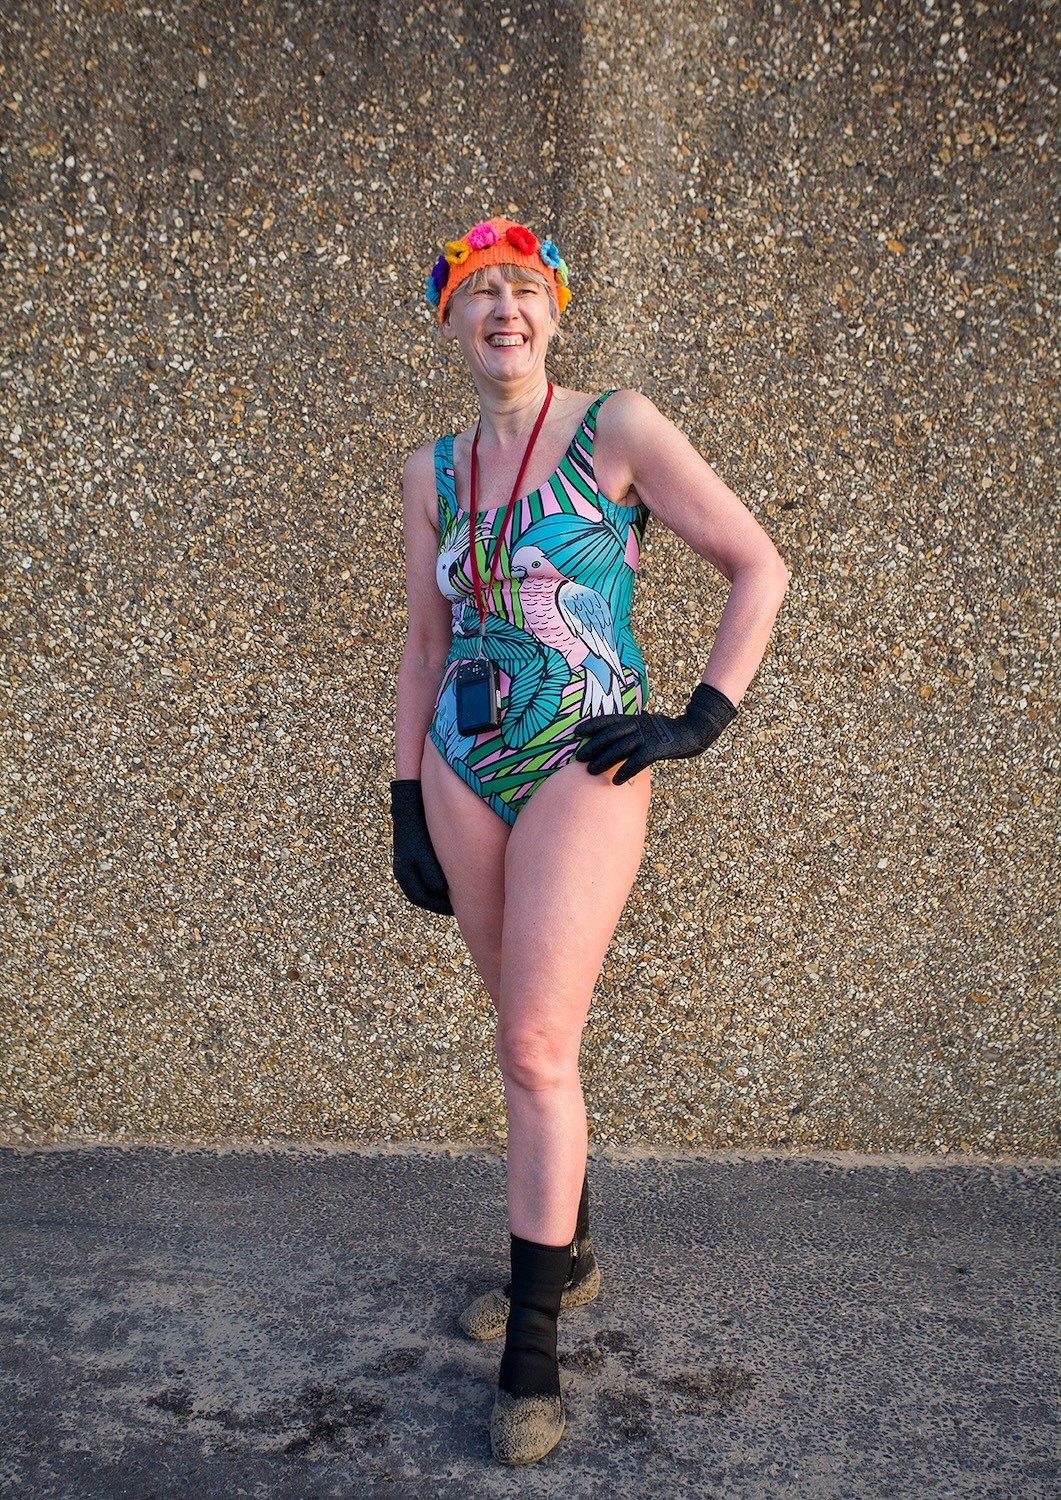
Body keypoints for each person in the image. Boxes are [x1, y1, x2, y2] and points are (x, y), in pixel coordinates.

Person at [391, 216, 789, 1465]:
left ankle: (530, 1352)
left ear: (552, 312)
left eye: (523, 289)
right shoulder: (429, 472)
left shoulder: (614, 428)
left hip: (583, 756)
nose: (502, 309)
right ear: (450, 320)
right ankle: (567, 1250)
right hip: (463, 765)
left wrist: (699, 719)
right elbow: (422, 643)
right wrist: (402, 793)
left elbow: (755, 564)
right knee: (528, 1045)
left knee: (531, 1044)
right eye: (478, 292)